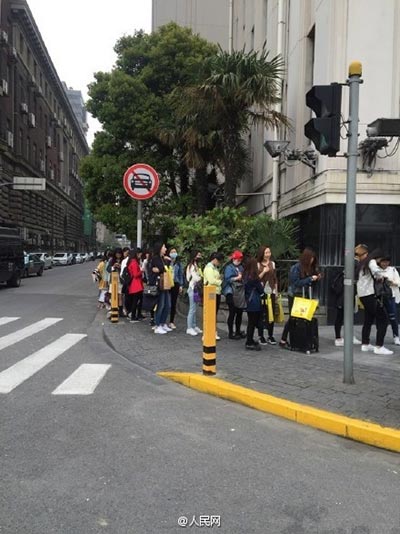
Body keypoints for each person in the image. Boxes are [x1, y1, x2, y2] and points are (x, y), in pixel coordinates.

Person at [355, 245, 393, 355]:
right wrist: (382, 277)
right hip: (370, 294)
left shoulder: (362, 264)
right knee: (383, 319)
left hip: (363, 295)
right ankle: (379, 346)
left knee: (368, 318)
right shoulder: (371, 261)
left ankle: (365, 344)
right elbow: (377, 272)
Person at [280, 248, 321, 348]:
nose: (312, 261)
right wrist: (310, 279)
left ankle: (302, 339)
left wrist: (316, 278)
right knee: (293, 317)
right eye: (311, 258)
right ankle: (283, 339)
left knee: (304, 318)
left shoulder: (310, 268)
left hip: (305, 294)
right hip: (295, 295)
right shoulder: (296, 268)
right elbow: (296, 282)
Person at [331, 253, 362, 347]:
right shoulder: (344, 274)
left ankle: (347, 336)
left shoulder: (351, 274)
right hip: (342, 297)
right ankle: (338, 337)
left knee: (347, 317)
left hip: (349, 296)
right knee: (340, 317)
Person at [376, 255, 400, 345]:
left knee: (393, 317)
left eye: (387, 261)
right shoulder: (376, 270)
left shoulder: (392, 270)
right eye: (383, 261)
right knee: (380, 318)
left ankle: (396, 336)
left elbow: (398, 282)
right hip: (380, 297)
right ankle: (380, 338)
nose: (385, 263)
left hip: (391, 296)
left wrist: (390, 282)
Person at [257, 245, 278, 345]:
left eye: (269, 252)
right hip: (262, 292)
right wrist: (264, 272)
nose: (268, 255)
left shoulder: (272, 264)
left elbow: (275, 278)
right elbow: (256, 278)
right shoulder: (258, 264)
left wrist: (276, 291)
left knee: (271, 313)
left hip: (271, 291)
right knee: (262, 314)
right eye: (266, 253)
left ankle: (270, 335)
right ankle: (261, 335)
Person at [149, 242, 172, 335]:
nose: (165, 249)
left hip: (166, 284)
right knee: (161, 305)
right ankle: (157, 325)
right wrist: (165, 263)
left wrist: (165, 263)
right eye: (164, 247)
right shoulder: (155, 258)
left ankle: (162, 323)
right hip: (159, 285)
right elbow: (162, 268)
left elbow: (164, 269)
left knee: (168, 305)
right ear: (159, 248)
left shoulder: (163, 259)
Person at [222, 250, 245, 340]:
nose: (239, 261)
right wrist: (237, 278)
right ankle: (231, 332)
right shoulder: (229, 268)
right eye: (237, 259)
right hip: (230, 291)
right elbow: (227, 279)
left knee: (239, 312)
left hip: (239, 292)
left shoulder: (241, 267)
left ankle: (238, 331)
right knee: (232, 312)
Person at [243, 257, 264, 351]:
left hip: (249, 301)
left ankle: (250, 339)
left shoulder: (246, 275)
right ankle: (249, 341)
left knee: (250, 322)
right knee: (252, 323)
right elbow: (261, 290)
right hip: (255, 302)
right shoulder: (254, 277)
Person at [203, 252, 224, 340]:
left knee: (214, 314)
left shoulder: (214, 268)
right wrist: (220, 282)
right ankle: (207, 332)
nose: (219, 263)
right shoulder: (209, 268)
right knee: (210, 313)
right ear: (215, 260)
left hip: (216, 292)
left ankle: (213, 331)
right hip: (211, 292)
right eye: (219, 261)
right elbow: (212, 280)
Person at [186, 250, 203, 336]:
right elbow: (195, 277)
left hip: (196, 289)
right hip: (192, 288)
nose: (199, 257)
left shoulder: (196, 265)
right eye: (198, 255)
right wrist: (200, 278)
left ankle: (194, 325)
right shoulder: (191, 266)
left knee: (195, 308)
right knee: (192, 309)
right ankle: (189, 327)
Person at [126, 248, 144, 323]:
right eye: (140, 254)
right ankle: (133, 316)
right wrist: (141, 271)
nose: (140, 255)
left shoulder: (132, 261)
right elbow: (135, 274)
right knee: (135, 301)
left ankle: (134, 315)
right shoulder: (134, 262)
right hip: (136, 284)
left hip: (135, 284)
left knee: (136, 300)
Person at [168, 247, 184, 329]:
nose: (174, 253)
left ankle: (171, 321)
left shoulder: (178, 263)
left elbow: (181, 275)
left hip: (175, 283)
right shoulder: (167, 262)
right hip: (167, 284)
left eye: (175, 251)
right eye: (172, 252)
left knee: (173, 303)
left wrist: (181, 285)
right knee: (166, 302)